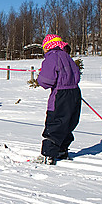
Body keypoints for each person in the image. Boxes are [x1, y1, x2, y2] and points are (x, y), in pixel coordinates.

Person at [36, 34, 81, 164]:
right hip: (75, 93)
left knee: (55, 121)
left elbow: (46, 81)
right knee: (68, 122)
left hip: (60, 94)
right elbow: (76, 74)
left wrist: (40, 77)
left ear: (47, 47)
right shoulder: (66, 56)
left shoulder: (52, 57)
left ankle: (48, 154)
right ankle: (62, 150)